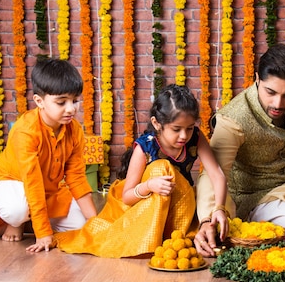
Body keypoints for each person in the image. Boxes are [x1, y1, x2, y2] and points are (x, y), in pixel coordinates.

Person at [195, 44, 285, 257]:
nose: (278, 103)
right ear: (257, 79)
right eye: (270, 92)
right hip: (258, 199)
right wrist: (208, 219)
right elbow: (213, 171)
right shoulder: (234, 118)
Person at [55, 84, 228, 258]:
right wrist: (149, 186)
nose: (184, 135)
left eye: (189, 128)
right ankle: (150, 238)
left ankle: (172, 234)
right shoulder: (145, 146)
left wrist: (219, 208)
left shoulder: (196, 138)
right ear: (156, 123)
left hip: (180, 204)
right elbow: (127, 197)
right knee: (161, 168)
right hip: (145, 204)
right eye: (176, 129)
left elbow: (217, 175)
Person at [0, 58, 98, 253]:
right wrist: (43, 233)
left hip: (48, 191)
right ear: (39, 101)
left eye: (75, 100)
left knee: (80, 225)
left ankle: (28, 223)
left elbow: (76, 177)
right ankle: (16, 222)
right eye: (61, 102)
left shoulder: (74, 130)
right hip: (15, 184)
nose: (71, 109)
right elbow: (32, 182)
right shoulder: (25, 131)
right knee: (16, 209)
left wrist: (96, 222)